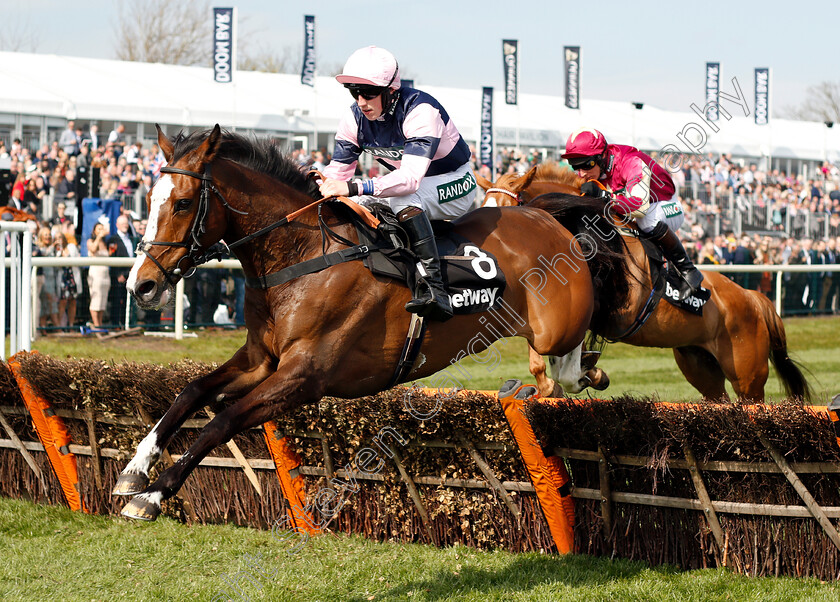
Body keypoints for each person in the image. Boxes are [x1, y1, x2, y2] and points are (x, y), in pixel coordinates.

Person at [318, 46, 477, 322]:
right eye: (354, 92)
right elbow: (337, 177)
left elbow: (410, 179)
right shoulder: (353, 119)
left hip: (455, 182)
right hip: (414, 186)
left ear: (390, 90)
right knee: (353, 204)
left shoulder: (420, 110)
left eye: (368, 93)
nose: (361, 101)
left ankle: (435, 289)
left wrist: (356, 187)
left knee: (399, 199)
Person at [561, 128, 703, 300]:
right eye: (576, 166)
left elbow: (639, 206)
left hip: (666, 206)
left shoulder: (631, 162)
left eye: (587, 165)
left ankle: (688, 270)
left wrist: (604, 196)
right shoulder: (598, 169)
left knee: (647, 220)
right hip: (639, 209)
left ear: (601, 157)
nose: (581, 173)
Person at [86, 222, 111, 328]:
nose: (101, 230)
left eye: (102, 228)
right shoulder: (90, 241)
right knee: (96, 300)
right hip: (96, 274)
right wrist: (98, 237)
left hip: (105, 275)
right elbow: (93, 249)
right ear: (94, 231)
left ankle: (100, 324)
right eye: (98, 229)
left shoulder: (106, 244)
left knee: (102, 300)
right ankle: (96, 325)